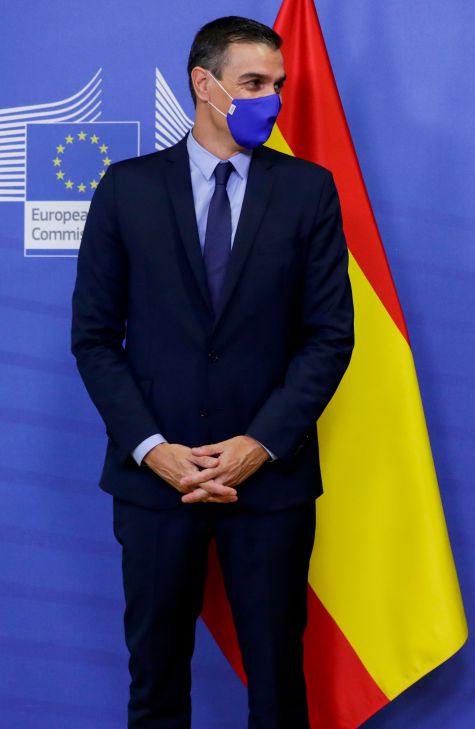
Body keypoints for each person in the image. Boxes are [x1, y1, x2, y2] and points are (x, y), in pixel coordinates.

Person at [71, 16, 353, 728]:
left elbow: (329, 337)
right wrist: (152, 448)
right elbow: (96, 339)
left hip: (271, 483)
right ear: (206, 85)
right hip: (154, 482)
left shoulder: (308, 191)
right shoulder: (126, 189)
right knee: (156, 685)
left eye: (278, 86)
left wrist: (260, 443)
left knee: (278, 691)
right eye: (254, 84)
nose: (272, 100)